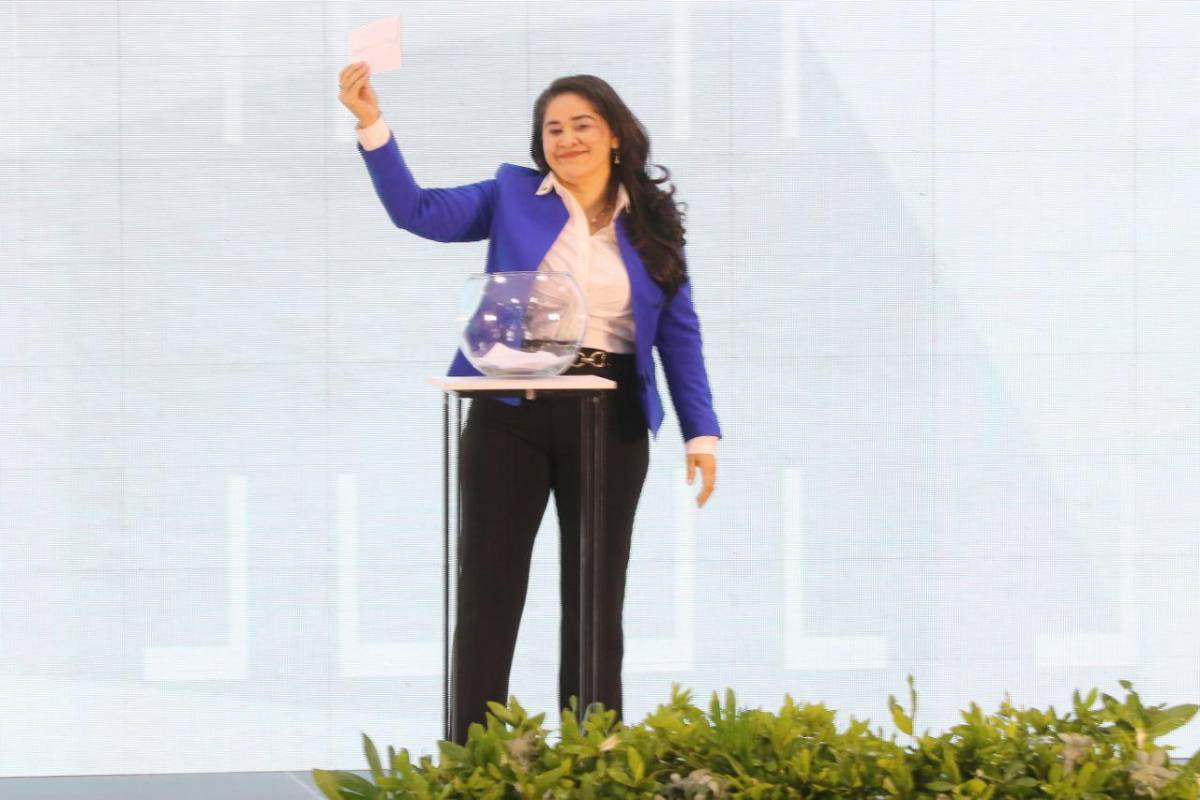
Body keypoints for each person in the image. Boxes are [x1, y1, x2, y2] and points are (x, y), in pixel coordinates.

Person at [337, 63, 721, 743]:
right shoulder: (513, 194)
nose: (566, 138)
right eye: (553, 128)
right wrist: (371, 123)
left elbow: (680, 334)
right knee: (488, 589)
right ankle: (474, 757)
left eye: (582, 125)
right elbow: (417, 212)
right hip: (509, 412)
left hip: (611, 417)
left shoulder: (654, 226)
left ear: (615, 139)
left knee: (596, 597)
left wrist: (702, 435)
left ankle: (594, 754)